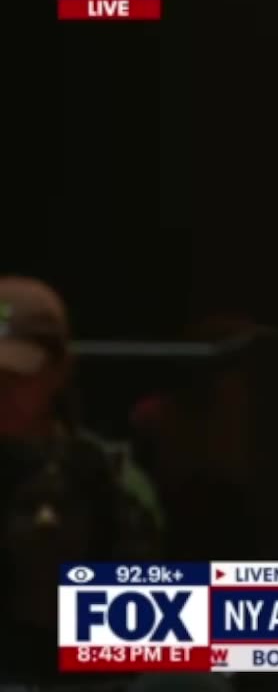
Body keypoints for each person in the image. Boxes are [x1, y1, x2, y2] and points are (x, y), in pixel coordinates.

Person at [0, 276, 164, 684]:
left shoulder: (107, 479)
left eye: (17, 375)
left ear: (59, 372)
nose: (0, 389)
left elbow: (147, 629)